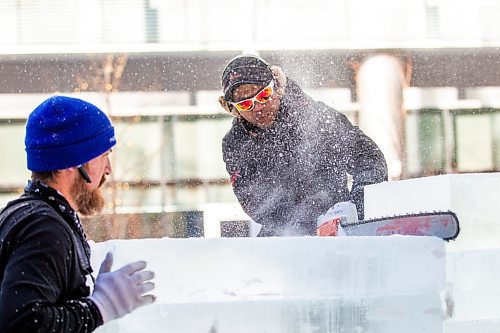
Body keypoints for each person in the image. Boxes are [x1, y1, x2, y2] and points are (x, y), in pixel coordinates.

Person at [0, 96, 156, 332]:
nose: (108, 169)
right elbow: (22, 323)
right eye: (103, 155)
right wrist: (99, 307)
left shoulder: (24, 214)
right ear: (72, 162)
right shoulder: (44, 228)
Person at [218, 55, 388, 237]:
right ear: (234, 109)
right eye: (245, 104)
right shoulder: (236, 144)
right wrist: (297, 222)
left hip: (337, 224)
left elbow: (370, 160)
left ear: (277, 87)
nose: (258, 108)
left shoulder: (317, 117)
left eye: (263, 95)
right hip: (283, 231)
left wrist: (355, 208)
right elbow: (253, 200)